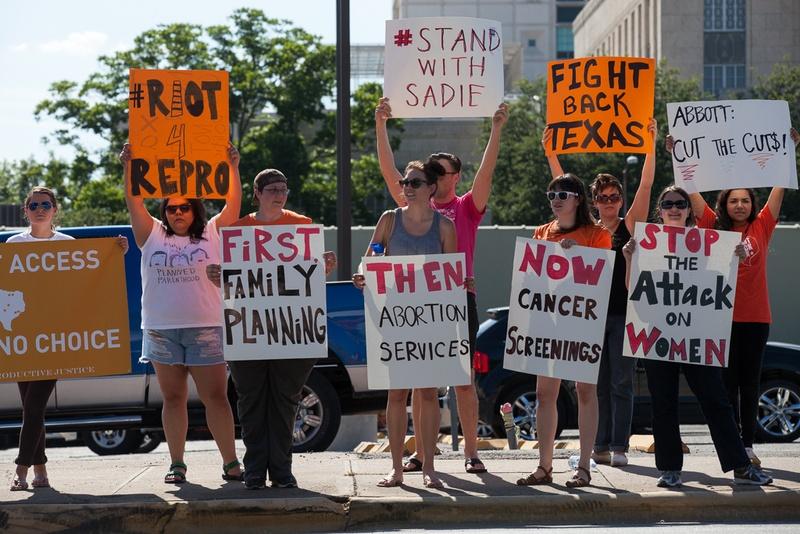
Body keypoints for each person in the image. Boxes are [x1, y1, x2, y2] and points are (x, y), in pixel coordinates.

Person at [375, 96, 508, 475]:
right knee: (420, 385)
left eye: (439, 170)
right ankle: (422, 455)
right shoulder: (415, 203)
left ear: (454, 177)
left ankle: (470, 452)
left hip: (457, 298)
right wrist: (381, 125)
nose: (430, 175)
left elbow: (487, 171)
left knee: (462, 381)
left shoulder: (466, 207)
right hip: (412, 301)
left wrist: (496, 128)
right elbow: (390, 172)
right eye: (427, 170)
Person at [622, 185, 772, 487]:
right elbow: (633, 291)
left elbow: (721, 283)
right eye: (668, 204)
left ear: (690, 210)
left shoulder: (708, 241)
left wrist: (738, 254)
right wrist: (629, 258)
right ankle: (669, 469)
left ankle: (740, 465)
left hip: (697, 335)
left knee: (716, 400)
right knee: (663, 403)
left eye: (680, 203)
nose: (675, 208)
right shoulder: (647, 241)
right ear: (660, 210)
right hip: (658, 336)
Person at [668, 127, 800, 468]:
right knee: (725, 385)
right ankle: (730, 444)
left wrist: (788, 151)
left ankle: (748, 444)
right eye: (733, 200)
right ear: (724, 204)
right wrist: (677, 155)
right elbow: (692, 192)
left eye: (745, 200)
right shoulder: (712, 225)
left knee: (749, 382)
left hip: (756, 317)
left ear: (752, 205)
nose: (740, 205)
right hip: (720, 318)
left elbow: (778, 190)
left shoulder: (762, 226)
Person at [205, 168, 337, 490]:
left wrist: (324, 267)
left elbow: (308, 278)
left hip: (292, 331)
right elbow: (234, 281)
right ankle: (254, 473)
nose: (279, 194)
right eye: (272, 189)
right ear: (257, 193)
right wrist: (217, 276)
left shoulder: (302, 227)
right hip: (249, 330)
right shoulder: (238, 231)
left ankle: (281, 471)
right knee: (251, 401)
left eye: (283, 188)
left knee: (285, 400)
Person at [119, 143, 242, 484]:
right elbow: (134, 201)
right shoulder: (151, 234)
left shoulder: (212, 233)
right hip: (161, 330)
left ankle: (231, 462)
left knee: (215, 398)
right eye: (172, 208)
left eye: (184, 208)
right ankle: (176, 463)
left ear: (195, 210)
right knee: (173, 398)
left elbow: (233, 205)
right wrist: (129, 166)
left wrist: (233, 167)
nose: (177, 213)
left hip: (206, 328)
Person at [542, 119, 657, 467]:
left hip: (622, 313)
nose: (609, 202)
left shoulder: (629, 223)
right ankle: (599, 446)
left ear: (621, 200)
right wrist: (551, 153)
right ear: (592, 201)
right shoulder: (586, 229)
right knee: (593, 385)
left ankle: (619, 445)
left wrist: (649, 146)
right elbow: (564, 188)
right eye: (603, 198)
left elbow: (648, 183)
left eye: (615, 197)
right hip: (588, 314)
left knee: (621, 382)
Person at [8, 186, 127, 491]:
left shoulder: (68, 244)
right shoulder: (13, 244)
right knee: (30, 408)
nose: (39, 209)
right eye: (33, 205)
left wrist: (116, 252)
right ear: (25, 210)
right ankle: (41, 472)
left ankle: (21, 470)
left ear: (55, 209)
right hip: (24, 339)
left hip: (56, 340)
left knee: (34, 406)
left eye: (45, 204)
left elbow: (88, 281)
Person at [353, 160, 458, 489]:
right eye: (405, 182)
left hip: (429, 320)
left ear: (431, 188)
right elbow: (370, 259)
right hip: (394, 318)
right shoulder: (388, 220)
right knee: (397, 393)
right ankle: (396, 468)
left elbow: (450, 278)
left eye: (415, 182)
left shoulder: (444, 228)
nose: (408, 187)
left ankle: (429, 467)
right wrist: (362, 274)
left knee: (426, 394)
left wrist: (461, 282)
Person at [516, 174, 611, 488]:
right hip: (549, 322)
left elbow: (601, 278)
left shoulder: (596, 234)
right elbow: (533, 279)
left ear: (578, 199)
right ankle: (544, 467)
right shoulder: (542, 232)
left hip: (582, 321)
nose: (556, 198)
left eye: (563, 193)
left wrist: (578, 256)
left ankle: (584, 466)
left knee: (585, 391)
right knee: (545, 395)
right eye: (551, 193)